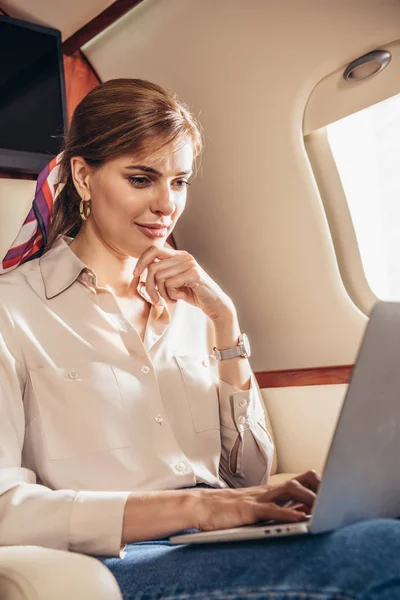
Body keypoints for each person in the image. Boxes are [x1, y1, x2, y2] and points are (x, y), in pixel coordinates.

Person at [0, 79, 399, 600]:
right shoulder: (13, 308)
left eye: (180, 181)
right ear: (83, 175)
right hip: (121, 559)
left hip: (215, 539)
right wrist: (197, 507)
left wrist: (226, 324)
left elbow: (244, 474)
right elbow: (6, 505)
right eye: (141, 178)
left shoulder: (194, 309)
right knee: (379, 551)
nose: (167, 204)